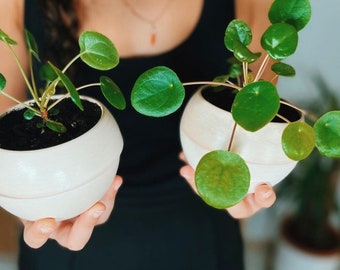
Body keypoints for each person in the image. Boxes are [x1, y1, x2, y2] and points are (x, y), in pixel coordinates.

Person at [0, 0, 277, 269]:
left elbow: (253, 116)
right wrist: (29, 205)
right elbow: (8, 145)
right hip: (68, 228)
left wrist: (250, 183)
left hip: (201, 229)